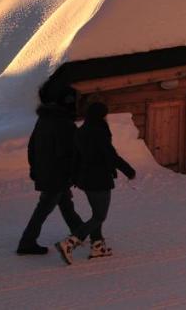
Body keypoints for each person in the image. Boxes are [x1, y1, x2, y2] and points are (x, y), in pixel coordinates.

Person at [56, 102, 135, 264]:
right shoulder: (99, 131)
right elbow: (110, 155)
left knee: (96, 213)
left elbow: (75, 157)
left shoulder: (81, 131)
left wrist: (75, 178)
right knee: (99, 216)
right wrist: (128, 170)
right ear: (101, 115)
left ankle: (97, 246)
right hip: (99, 179)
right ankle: (70, 242)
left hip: (86, 180)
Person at [16, 85, 84, 255]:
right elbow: (70, 153)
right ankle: (27, 242)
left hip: (46, 172)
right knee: (44, 208)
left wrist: (35, 168)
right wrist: (74, 173)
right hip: (57, 175)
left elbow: (32, 147)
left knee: (65, 203)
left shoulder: (45, 119)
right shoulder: (64, 123)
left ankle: (80, 231)